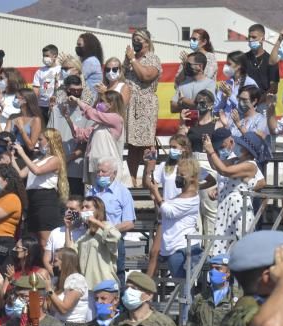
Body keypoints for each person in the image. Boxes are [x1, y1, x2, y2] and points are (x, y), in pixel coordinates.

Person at [204, 131, 266, 256]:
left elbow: (225, 170)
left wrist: (211, 151)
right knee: (221, 250)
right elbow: (216, 166)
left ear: (247, 149)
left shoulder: (251, 166)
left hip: (238, 209)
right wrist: (208, 149)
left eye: (241, 145)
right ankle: (221, 273)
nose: (238, 146)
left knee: (239, 251)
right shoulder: (236, 160)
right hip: (225, 207)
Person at [146, 157, 201, 282]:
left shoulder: (191, 196)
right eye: (177, 174)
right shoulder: (180, 196)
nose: (178, 177)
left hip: (181, 247)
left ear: (192, 177)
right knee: (180, 286)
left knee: (183, 287)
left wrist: (156, 193)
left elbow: (170, 212)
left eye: (182, 174)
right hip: (172, 246)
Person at [14, 128, 69, 253]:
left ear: (50, 141)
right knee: (35, 241)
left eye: (40, 140)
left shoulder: (55, 159)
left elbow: (37, 171)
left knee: (45, 242)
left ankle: (52, 268)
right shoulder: (37, 160)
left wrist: (23, 153)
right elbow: (21, 174)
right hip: (32, 199)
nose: (38, 143)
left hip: (46, 200)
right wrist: (11, 158)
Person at [123, 29, 163, 187]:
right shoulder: (129, 60)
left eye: (139, 39)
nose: (135, 42)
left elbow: (145, 76)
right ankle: (132, 179)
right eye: (134, 39)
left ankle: (148, 176)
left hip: (145, 105)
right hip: (130, 105)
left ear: (147, 42)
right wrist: (127, 62)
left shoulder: (153, 58)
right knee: (133, 145)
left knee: (147, 144)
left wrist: (133, 60)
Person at [90, 157, 136, 285]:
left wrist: (109, 229)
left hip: (113, 241)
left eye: (104, 172)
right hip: (93, 239)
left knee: (116, 275)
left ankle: (118, 303)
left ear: (114, 173)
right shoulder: (91, 191)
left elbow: (129, 223)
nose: (100, 175)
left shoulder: (123, 192)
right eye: (98, 171)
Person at [67, 91, 125, 187]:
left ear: (111, 104)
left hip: (109, 168)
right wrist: (68, 119)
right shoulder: (98, 125)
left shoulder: (116, 119)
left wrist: (77, 101)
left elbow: (92, 113)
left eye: (102, 101)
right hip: (95, 167)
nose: (99, 104)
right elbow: (80, 135)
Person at [66, 196, 121, 289]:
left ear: (97, 210)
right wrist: (68, 228)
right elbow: (70, 251)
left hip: (105, 285)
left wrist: (95, 221)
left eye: (87, 207)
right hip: (88, 286)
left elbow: (116, 236)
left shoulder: (106, 226)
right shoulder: (86, 235)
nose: (83, 210)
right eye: (82, 207)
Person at [48, 76, 91, 195]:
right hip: (57, 168)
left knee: (75, 206)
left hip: (76, 169)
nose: (76, 93)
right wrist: (57, 160)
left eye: (79, 90)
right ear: (67, 90)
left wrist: (67, 159)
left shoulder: (87, 111)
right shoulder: (56, 110)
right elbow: (50, 136)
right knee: (59, 207)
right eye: (73, 90)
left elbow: (86, 142)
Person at [46, 247, 91, 326]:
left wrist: (49, 290)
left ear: (65, 262)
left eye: (55, 261)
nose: (52, 264)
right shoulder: (58, 280)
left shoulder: (76, 280)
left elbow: (64, 309)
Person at [45, 196, 86, 271]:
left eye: (72, 209)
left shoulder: (85, 232)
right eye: (66, 209)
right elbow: (46, 260)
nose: (68, 212)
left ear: (81, 211)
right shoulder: (55, 232)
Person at [214, 51, 257, 120]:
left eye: (229, 64)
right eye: (226, 64)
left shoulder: (249, 83)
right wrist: (223, 99)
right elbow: (216, 110)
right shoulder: (227, 83)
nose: (226, 66)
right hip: (225, 124)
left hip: (241, 125)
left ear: (238, 66)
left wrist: (230, 95)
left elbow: (248, 109)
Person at [245, 23, 280, 96]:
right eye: (249, 37)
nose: (250, 40)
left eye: (254, 37)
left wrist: (258, 101)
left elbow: (274, 88)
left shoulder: (270, 60)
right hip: (245, 100)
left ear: (263, 39)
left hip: (263, 103)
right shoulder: (243, 58)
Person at [33, 44, 61, 122]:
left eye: (47, 55)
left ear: (55, 56)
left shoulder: (61, 70)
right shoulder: (39, 71)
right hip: (41, 106)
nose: (45, 58)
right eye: (43, 56)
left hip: (56, 106)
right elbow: (36, 89)